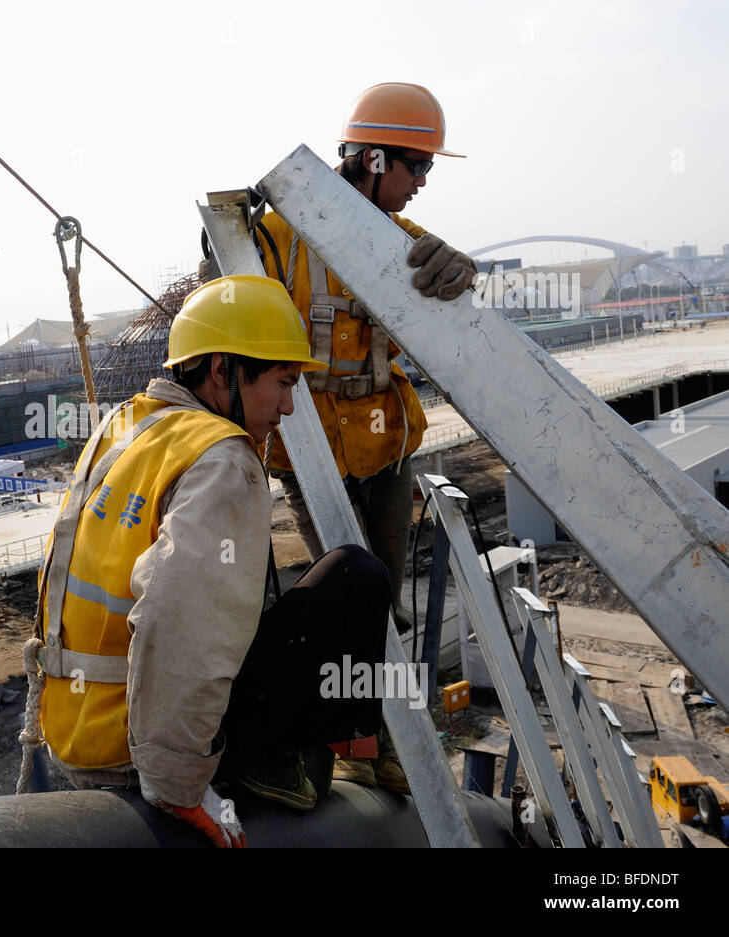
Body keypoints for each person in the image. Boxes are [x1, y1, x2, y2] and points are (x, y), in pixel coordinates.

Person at [25, 275, 392, 847]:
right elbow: (178, 621)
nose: (289, 406)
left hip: (75, 730)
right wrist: (179, 784)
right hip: (137, 748)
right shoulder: (220, 457)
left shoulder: (123, 426)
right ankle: (282, 763)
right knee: (356, 576)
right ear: (223, 371)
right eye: (282, 382)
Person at [250, 83, 477, 792]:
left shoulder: (400, 242)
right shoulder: (278, 236)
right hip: (310, 448)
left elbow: (446, 276)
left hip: (384, 447)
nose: (421, 185)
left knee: (386, 598)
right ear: (374, 159)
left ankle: (378, 739)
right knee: (352, 596)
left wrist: (464, 270)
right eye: (417, 168)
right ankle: (358, 739)